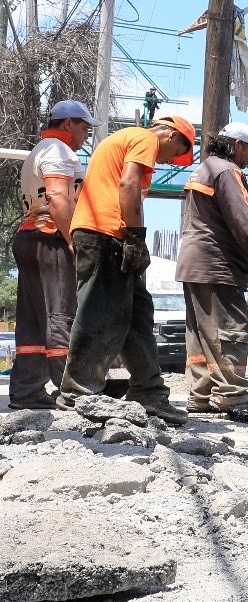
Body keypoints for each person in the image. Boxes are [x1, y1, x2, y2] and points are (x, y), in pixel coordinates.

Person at [57, 114, 196, 425]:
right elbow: (128, 184)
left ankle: (149, 392)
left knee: (137, 314)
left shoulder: (121, 142)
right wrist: (135, 237)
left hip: (108, 232)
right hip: (106, 233)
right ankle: (77, 394)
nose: (168, 159)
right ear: (171, 136)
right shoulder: (145, 138)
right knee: (97, 313)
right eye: (174, 153)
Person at [175, 122, 248, 420]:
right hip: (217, 265)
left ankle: (200, 396)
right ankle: (231, 397)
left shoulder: (204, 168)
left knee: (201, 336)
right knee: (231, 332)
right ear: (238, 146)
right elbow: (245, 223)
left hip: (193, 264)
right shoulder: (227, 172)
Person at [9, 100, 99, 409]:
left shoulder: (40, 149)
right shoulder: (58, 151)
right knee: (62, 314)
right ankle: (71, 393)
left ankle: (27, 391)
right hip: (50, 237)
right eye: (85, 126)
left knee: (33, 320)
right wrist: (73, 240)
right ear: (68, 123)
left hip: (29, 237)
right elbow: (59, 196)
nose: (86, 133)